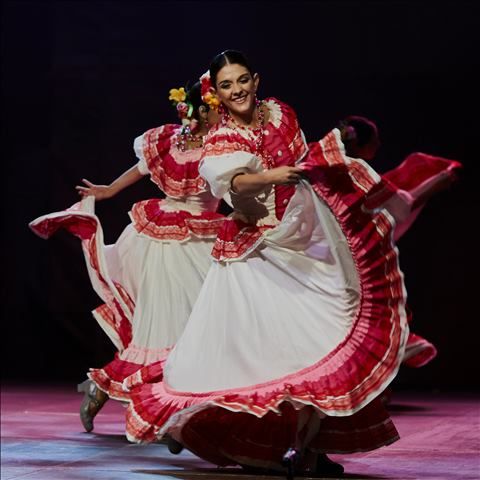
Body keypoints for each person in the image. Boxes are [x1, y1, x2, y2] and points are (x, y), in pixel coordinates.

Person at [125, 50, 408, 477]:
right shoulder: (221, 137)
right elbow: (231, 180)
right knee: (271, 354)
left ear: (256, 81)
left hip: (302, 237)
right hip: (254, 253)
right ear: (217, 94)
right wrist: (270, 178)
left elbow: (300, 157)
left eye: (242, 81)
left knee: (323, 337)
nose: (236, 90)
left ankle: (310, 447)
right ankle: (266, 441)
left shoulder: (280, 113)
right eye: (226, 85)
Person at [29, 81, 224, 433]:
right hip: (161, 243)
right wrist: (109, 190)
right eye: (215, 105)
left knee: (198, 330)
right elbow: (143, 167)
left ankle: (172, 412)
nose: (220, 112)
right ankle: (162, 414)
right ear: (199, 109)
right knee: (165, 333)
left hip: (204, 241)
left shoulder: (226, 144)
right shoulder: (171, 140)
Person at [337, 115, 462, 368]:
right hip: (347, 254)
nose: (380, 144)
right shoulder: (360, 176)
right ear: (363, 145)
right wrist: (437, 181)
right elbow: (398, 207)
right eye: (376, 140)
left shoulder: (330, 169)